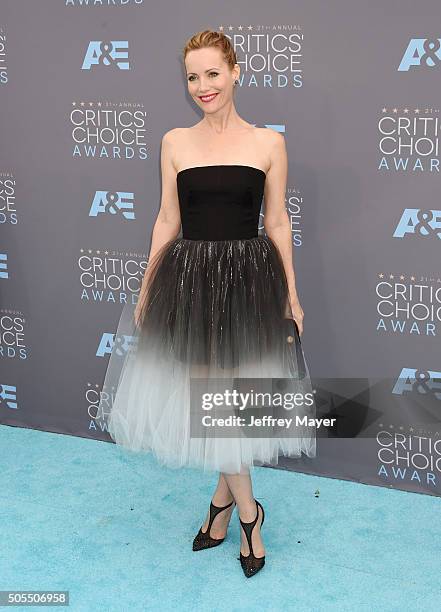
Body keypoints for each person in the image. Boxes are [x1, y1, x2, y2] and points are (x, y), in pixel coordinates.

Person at [96, 29, 316, 578]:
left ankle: (223, 507)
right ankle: (248, 514)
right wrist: (147, 286)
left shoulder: (268, 143)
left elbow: (278, 221)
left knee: (228, 404)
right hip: (189, 284)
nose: (203, 86)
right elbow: (167, 219)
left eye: (212, 73)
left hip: (249, 283)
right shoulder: (175, 141)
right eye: (193, 77)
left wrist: (292, 292)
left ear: (236, 71)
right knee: (214, 401)